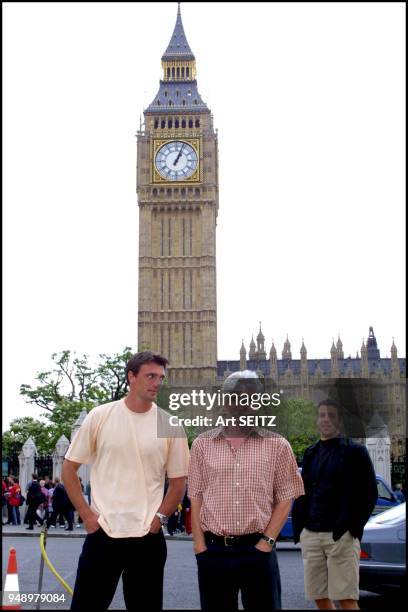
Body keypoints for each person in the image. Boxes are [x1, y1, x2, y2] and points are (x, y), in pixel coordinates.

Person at [61, 351, 190, 611]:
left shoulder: (170, 424)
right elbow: (68, 469)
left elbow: (178, 483)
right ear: (131, 377)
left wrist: (159, 520)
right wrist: (87, 515)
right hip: (103, 532)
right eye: (150, 376)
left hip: (147, 537)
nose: (156, 383)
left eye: (161, 378)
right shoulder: (100, 416)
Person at [188, 371, 305, 611]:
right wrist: (199, 546)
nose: (241, 404)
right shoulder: (202, 444)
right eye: (235, 397)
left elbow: (286, 497)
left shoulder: (278, 444)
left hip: (258, 550)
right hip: (214, 551)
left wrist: (266, 542)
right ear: (224, 401)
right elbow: (196, 496)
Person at [292, 399, 378, 611]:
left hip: (340, 536)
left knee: (346, 599)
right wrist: (301, 529)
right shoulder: (311, 452)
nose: (326, 419)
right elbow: (304, 492)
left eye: (332, 415)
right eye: (322, 415)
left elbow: (369, 494)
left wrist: (352, 529)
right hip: (311, 534)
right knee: (319, 597)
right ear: (316, 420)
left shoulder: (355, 452)